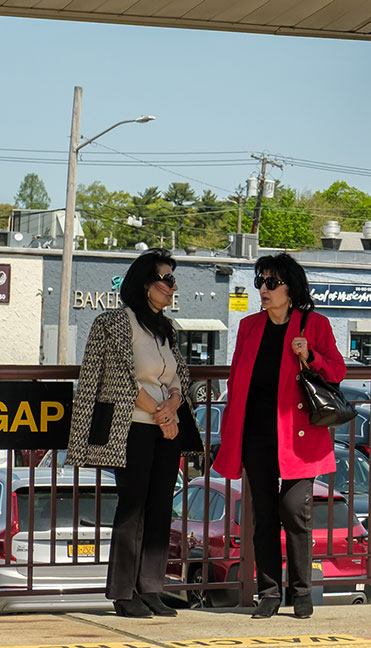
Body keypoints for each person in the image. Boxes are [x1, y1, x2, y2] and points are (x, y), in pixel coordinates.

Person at [66, 248, 204, 618]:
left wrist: (173, 404)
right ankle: (123, 592)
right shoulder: (112, 323)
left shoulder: (166, 329)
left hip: (166, 428)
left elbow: (179, 378)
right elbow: (115, 380)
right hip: (130, 429)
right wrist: (160, 414)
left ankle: (151, 589)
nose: (173, 287)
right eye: (167, 279)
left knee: (161, 509)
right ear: (146, 284)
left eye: (174, 279)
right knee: (133, 508)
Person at [213, 253, 346, 619]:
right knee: (264, 515)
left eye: (272, 283)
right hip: (256, 432)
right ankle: (269, 593)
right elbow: (237, 382)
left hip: (299, 435)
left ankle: (301, 592)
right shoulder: (249, 326)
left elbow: (337, 371)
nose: (264, 289)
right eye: (261, 282)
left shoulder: (314, 324)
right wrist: (230, 430)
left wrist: (311, 355)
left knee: (293, 510)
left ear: (291, 288)